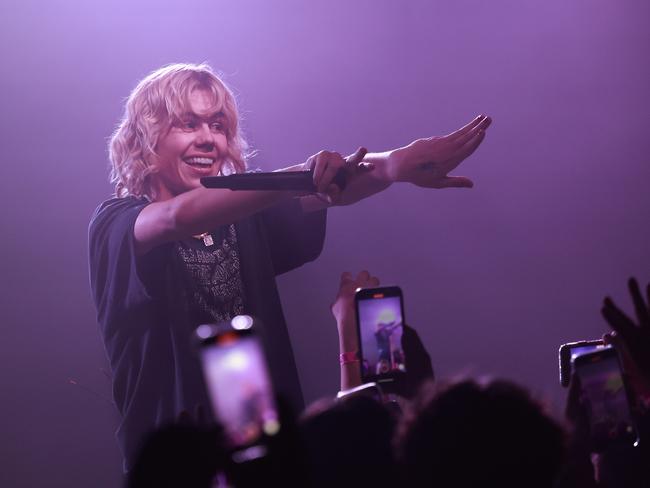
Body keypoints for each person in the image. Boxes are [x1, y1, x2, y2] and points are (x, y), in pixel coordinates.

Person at [88, 62, 491, 469]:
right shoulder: (117, 224)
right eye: (188, 124)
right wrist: (304, 173)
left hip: (269, 457)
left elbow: (331, 191)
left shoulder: (243, 221)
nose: (208, 139)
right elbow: (178, 218)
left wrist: (391, 165)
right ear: (146, 137)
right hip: (178, 463)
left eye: (217, 125)